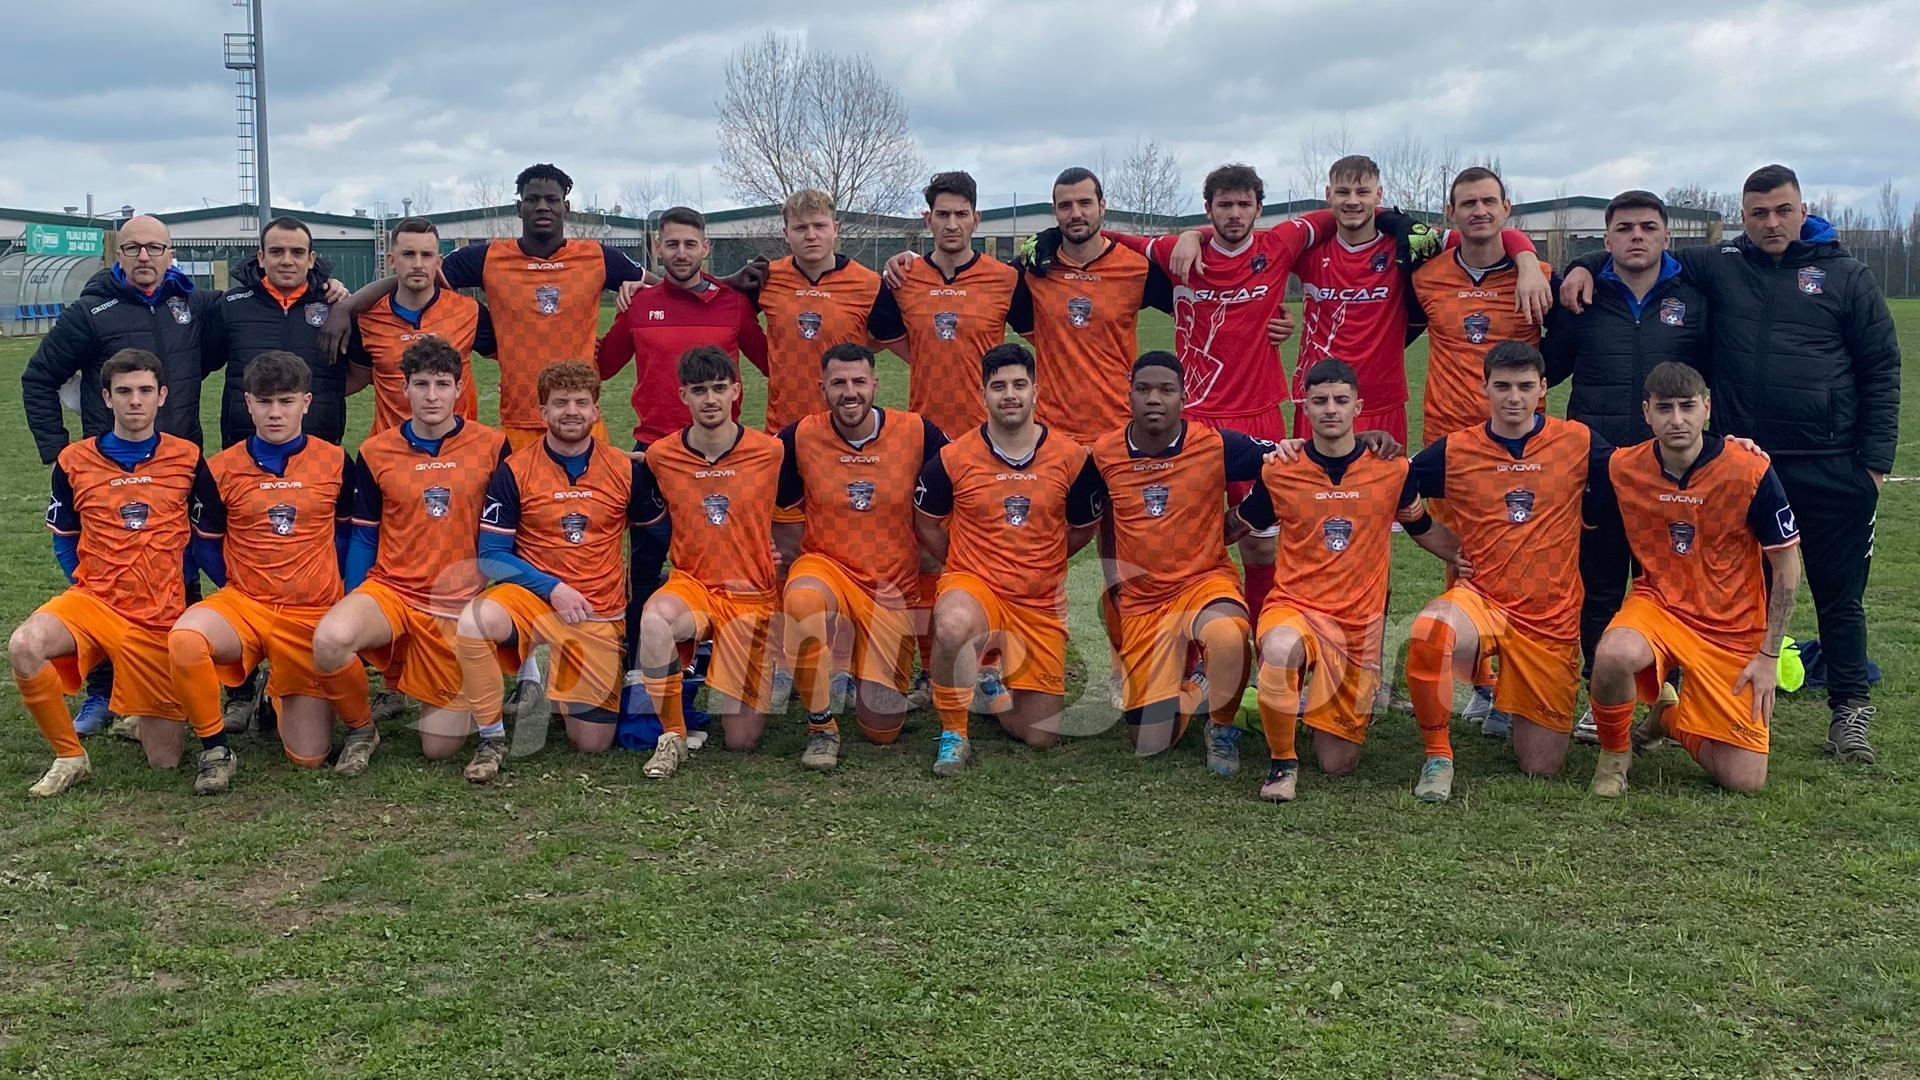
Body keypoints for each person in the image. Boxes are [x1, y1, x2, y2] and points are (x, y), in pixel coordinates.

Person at [1560, 164, 1899, 764]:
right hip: (1740, 468)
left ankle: (1849, 713)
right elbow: (1634, 249)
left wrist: (1872, 464)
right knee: (1726, 592)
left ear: (1803, 210)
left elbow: (1881, 368)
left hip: (1831, 463)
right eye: (1759, 213)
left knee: (1839, 595)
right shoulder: (1721, 265)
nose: (1772, 223)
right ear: (1742, 218)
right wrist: (1583, 262)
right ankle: (1693, 697)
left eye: (1783, 210)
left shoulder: (1848, 275)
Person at [20, 214, 218, 736]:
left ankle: (174, 681)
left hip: (177, 462)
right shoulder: (90, 312)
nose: (145, 257)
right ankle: (103, 692)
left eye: (156, 247)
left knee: (180, 572)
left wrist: (328, 279)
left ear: (171, 253)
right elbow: (38, 376)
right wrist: (57, 450)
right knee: (104, 580)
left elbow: (241, 320)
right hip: (103, 471)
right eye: (133, 248)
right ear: (119, 255)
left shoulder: (192, 306)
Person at [1232, 359, 1465, 802]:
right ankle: (1282, 762)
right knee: (1279, 648)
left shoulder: (1391, 469)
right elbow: (1242, 522)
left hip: (1356, 625)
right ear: (1305, 407)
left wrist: (1466, 556)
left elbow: (1421, 526)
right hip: (1295, 607)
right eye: (1319, 401)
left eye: (1340, 400)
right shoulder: (1281, 469)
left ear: (1358, 406)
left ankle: (1264, 709)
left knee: (1338, 765)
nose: (1330, 410)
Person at [1401, 341, 1611, 803]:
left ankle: (1513, 700)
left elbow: (1644, 471)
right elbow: (1394, 484)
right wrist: (1446, 546)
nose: (1512, 398)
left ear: (1542, 390)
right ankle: (1438, 755)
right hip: (1482, 602)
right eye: (1502, 387)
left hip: (1550, 616)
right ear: (1484, 388)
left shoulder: (1578, 440)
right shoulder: (1455, 449)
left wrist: (1728, 446)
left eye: (1523, 387)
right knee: (1432, 629)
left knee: (1542, 768)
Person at [9, 349, 224, 796]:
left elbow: (207, 538)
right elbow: (63, 535)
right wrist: (84, 581)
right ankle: (69, 755)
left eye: (145, 390)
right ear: (106, 398)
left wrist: (223, 592)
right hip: (94, 602)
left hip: (158, 615)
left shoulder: (186, 458)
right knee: (24, 645)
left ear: (162, 396)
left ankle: (140, 709)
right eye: (124, 391)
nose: (135, 401)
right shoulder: (73, 461)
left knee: (164, 762)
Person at [320, 163, 648, 450]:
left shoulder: (598, 257)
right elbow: (416, 275)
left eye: (552, 199)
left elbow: (663, 286)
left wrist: (642, 286)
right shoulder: (488, 257)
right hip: (519, 418)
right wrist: (346, 307)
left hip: (582, 414)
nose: (542, 206)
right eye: (532, 199)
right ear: (519, 208)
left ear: (567, 206)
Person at [1587, 362, 1802, 796]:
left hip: (1732, 626)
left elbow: (1786, 566)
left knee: (1745, 781)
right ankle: (1613, 757)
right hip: (1659, 607)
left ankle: (1665, 717)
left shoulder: (1749, 470)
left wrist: (1768, 656)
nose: (1677, 419)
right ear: (1646, 412)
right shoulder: (1621, 467)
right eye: (1664, 408)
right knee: (1612, 653)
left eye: (1688, 407)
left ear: (1707, 408)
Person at [1541, 190, 1710, 740]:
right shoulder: (1582, 299)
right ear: (1607, 239)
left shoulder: (1699, 293)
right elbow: (1549, 368)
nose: (1636, 236)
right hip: (1602, 466)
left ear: (1666, 235)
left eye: (1647, 226)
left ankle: (1674, 696)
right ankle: (1601, 694)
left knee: (1674, 583)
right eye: (1624, 228)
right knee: (1600, 583)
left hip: (1677, 469)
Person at [170, 351, 374, 785]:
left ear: (306, 402)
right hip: (246, 604)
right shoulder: (220, 468)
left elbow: (347, 536)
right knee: (187, 638)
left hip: (310, 608)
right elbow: (205, 545)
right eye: (265, 402)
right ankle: (216, 749)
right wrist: (241, 586)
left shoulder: (337, 461)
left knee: (309, 756)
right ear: (248, 403)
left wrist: (337, 591)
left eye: (286, 401)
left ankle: (301, 702)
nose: (275, 412)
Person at [312, 337, 510, 782]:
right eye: (421, 384)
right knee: (331, 639)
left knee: (439, 749)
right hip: (392, 590)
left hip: (454, 603)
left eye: (443, 384)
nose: (432, 395)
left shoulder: (494, 446)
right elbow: (364, 535)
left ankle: (458, 676)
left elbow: (508, 536)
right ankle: (362, 730)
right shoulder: (375, 452)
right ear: (404, 389)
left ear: (460, 388)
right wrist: (353, 593)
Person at [913, 343, 1106, 776]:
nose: (1010, 394)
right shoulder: (952, 458)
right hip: (976, 584)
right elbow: (926, 522)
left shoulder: (1072, 459)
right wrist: (961, 564)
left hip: (1037, 600)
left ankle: (991, 688)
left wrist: (1044, 562)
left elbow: (1081, 528)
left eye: (1019, 384)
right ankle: (953, 734)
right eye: (998, 386)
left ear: (1037, 390)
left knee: (1041, 735)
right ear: (982, 395)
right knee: (953, 624)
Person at [597, 205, 771, 647]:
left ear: (706, 248)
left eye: (690, 244)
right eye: (671, 244)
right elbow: (601, 366)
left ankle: (713, 651)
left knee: (718, 558)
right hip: (652, 453)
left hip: (720, 455)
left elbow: (774, 364)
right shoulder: (639, 303)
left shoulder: (732, 304)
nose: (680, 252)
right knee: (648, 561)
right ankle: (642, 660)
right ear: (657, 247)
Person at [1085, 351, 1269, 765]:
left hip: (1202, 583)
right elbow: (1091, 518)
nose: (1154, 398)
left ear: (1183, 397)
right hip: (1144, 601)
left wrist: (1242, 518)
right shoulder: (1103, 455)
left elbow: (1292, 461)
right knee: (1150, 744)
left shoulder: (1217, 445)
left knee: (1228, 633)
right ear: (1128, 396)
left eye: (1166, 390)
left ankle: (1222, 725)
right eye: (1144, 389)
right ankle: (1200, 684)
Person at [775, 343, 948, 770]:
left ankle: (863, 670)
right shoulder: (798, 436)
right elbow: (757, 483)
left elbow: (963, 481)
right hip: (828, 568)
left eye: (857, 382)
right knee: (801, 599)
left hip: (891, 589)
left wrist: (935, 555)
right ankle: (821, 728)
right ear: (822, 388)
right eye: (838, 383)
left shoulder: (918, 432)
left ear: (875, 384)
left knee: (882, 730)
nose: (848, 392)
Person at [457, 362, 643, 757]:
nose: (570, 411)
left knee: (591, 745)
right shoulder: (514, 470)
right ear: (542, 413)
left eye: (580, 402)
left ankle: (568, 676)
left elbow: (661, 536)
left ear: (596, 410)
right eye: (559, 403)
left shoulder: (625, 469)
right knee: (475, 621)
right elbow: (491, 556)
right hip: (535, 602)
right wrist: (553, 588)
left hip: (597, 612)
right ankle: (492, 737)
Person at [630, 346, 787, 780]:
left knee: (742, 741)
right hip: (693, 586)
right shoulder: (663, 455)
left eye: (720, 388)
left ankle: (734, 671)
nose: (711, 399)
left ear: (737, 390)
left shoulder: (770, 452)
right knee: (656, 619)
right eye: (699, 391)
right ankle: (673, 737)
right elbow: (627, 471)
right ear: (683, 396)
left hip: (750, 595)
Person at [867, 171, 1022, 439]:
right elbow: (881, 335)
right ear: (928, 220)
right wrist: (933, 355)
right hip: (925, 431)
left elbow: (1044, 339)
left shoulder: (1004, 278)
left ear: (976, 219)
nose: (952, 224)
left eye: (961, 214)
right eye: (943, 215)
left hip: (988, 431)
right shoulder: (903, 277)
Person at [206, 216, 352, 448]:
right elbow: (202, 364)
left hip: (319, 446)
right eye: (276, 252)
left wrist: (327, 397)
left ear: (311, 259)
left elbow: (362, 370)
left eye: (297, 252)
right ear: (261, 258)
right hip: (245, 446)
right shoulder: (231, 306)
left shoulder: (337, 307)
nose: (287, 261)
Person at [752, 189, 887, 434]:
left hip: (845, 427)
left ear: (836, 228)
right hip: (783, 426)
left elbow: (888, 339)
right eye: (800, 228)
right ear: (785, 233)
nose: (811, 236)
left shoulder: (869, 283)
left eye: (820, 226)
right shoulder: (766, 278)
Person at [346, 217, 496, 436]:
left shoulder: (469, 311)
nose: (417, 264)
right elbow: (357, 378)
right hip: (390, 453)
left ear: (438, 261)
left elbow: (509, 359)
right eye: (408, 254)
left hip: (458, 452)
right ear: (392, 260)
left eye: (426, 255)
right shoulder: (368, 318)